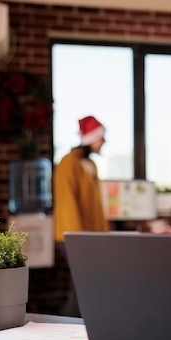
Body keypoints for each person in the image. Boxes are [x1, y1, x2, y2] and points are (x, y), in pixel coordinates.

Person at [53, 115, 109, 316]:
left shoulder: (90, 165)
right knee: (82, 284)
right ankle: (71, 325)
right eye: (101, 137)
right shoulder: (68, 163)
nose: (104, 142)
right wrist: (76, 238)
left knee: (87, 284)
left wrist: (103, 233)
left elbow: (95, 205)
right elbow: (68, 203)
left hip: (89, 237)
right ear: (91, 138)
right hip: (73, 236)